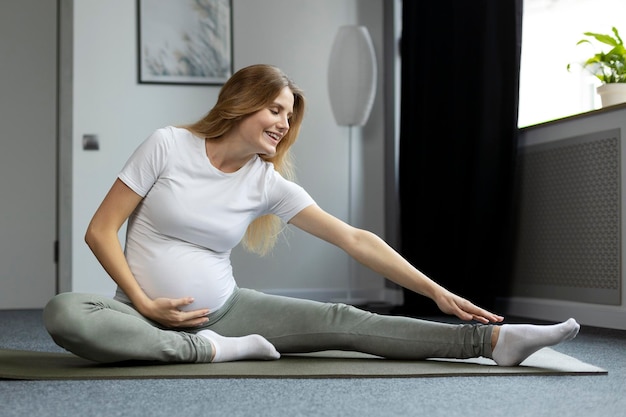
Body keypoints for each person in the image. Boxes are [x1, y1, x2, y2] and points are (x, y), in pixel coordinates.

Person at [43, 64, 579, 366]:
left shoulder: (266, 182)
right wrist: (142, 302)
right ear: (241, 102)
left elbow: (355, 240)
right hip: (136, 312)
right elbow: (100, 229)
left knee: (344, 322)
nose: (283, 123)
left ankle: (494, 343)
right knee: (66, 313)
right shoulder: (168, 145)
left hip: (230, 312)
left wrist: (435, 290)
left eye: (289, 115)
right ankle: (210, 351)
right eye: (275, 109)